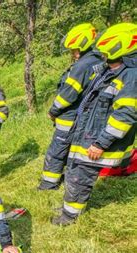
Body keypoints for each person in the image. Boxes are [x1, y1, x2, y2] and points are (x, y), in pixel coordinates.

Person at [52, 23, 136, 226]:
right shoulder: (111, 70)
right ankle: (69, 206)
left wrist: (101, 143)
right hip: (88, 134)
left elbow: (125, 115)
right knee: (73, 171)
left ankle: (69, 216)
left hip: (98, 141)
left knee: (80, 177)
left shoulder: (131, 77)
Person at [39, 23, 104, 190]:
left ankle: (49, 183)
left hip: (69, 117)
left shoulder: (81, 66)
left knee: (57, 151)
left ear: (81, 47)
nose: (72, 53)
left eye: (73, 49)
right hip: (83, 117)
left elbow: (68, 94)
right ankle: (66, 177)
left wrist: (53, 110)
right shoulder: (97, 61)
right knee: (69, 149)